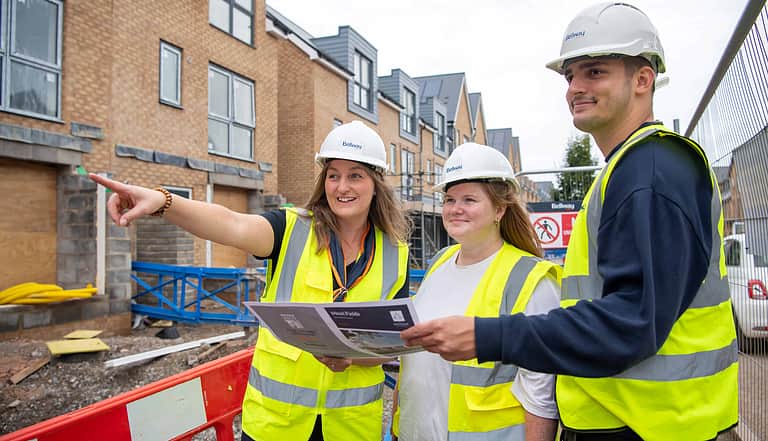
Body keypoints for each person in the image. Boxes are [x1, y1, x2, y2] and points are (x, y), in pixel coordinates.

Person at [401, 3, 738, 441]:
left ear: (643, 79)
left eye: (594, 72)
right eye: (570, 75)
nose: (575, 87)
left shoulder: (651, 172)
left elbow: (631, 323)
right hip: (635, 419)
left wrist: (487, 336)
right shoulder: (628, 171)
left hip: (654, 427)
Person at [90, 120, 411, 441]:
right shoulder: (291, 228)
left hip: (351, 429)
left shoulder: (395, 254)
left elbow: (390, 348)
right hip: (276, 426)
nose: (342, 187)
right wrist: (163, 202)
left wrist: (351, 359)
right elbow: (231, 224)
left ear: (376, 182)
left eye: (355, 175)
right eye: (333, 175)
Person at [392, 143, 561, 441]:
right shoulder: (440, 262)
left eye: (469, 199)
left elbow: (540, 394)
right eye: (449, 199)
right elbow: (415, 364)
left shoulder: (530, 278)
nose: (455, 209)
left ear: (499, 208)